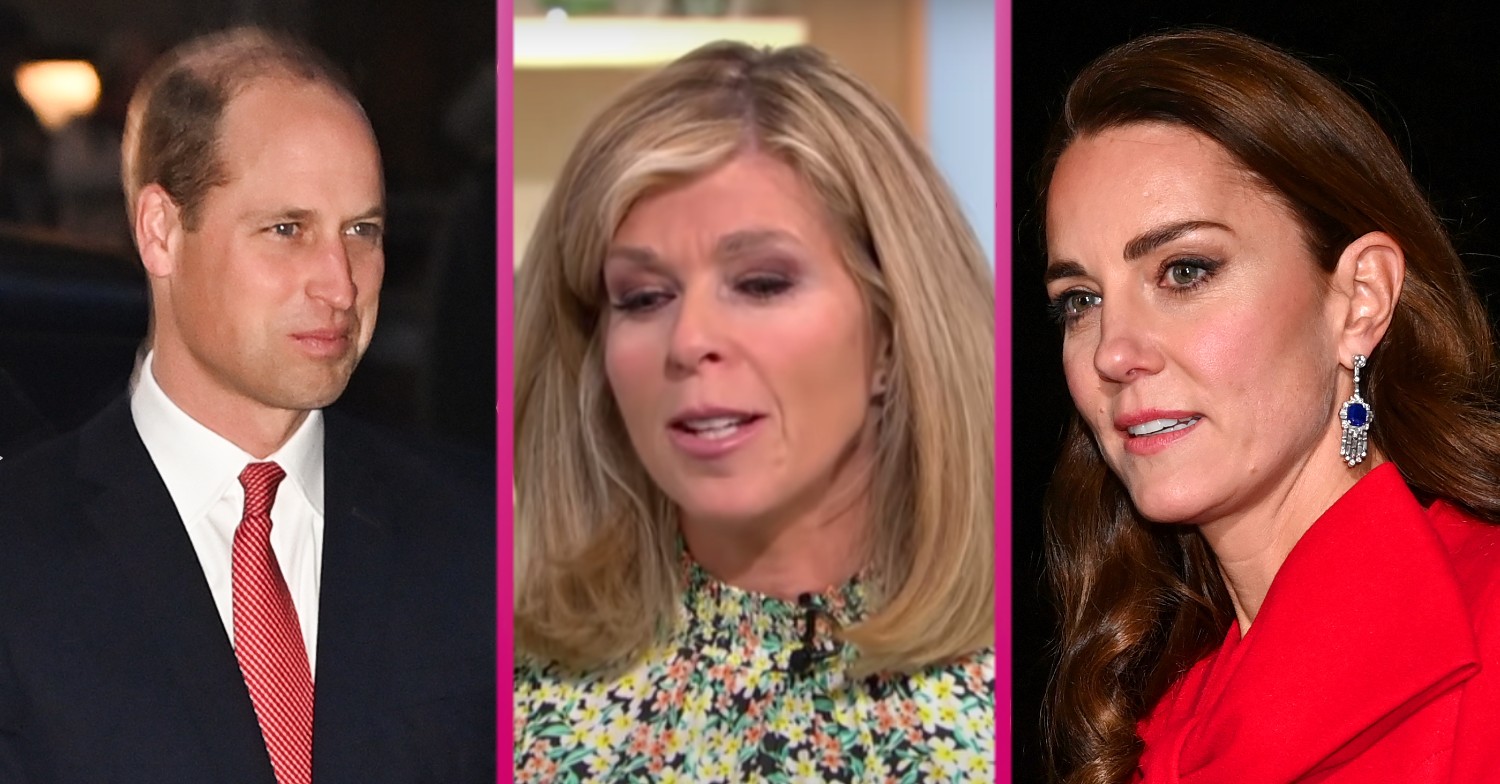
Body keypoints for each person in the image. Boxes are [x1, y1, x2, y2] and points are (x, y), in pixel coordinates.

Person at [0, 27, 494, 783]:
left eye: (361, 230)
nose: (341, 283)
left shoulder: (483, 530)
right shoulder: (21, 550)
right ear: (161, 232)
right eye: (287, 230)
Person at [512, 42, 995, 782]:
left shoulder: (1031, 689)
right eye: (643, 297)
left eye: (762, 283)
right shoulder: (511, 700)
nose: (690, 340)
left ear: (892, 333)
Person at [1038, 28, 1500, 784]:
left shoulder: (1487, 631)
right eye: (1080, 300)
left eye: (1185, 271)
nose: (1112, 353)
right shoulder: (1162, 728)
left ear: (1360, 299)